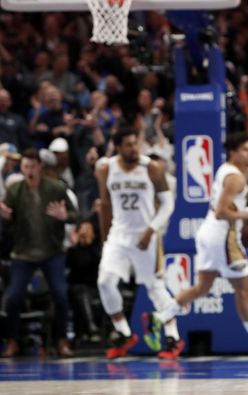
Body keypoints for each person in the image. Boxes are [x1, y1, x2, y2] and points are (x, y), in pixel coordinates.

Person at [152, 133, 248, 354]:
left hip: (209, 234)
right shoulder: (235, 178)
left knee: (203, 288)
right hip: (223, 238)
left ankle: (159, 317)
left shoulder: (225, 170)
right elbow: (221, 212)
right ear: (233, 153)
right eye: (245, 149)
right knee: (243, 290)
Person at [95, 128, 181, 359]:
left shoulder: (151, 167)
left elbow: (167, 204)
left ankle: (173, 338)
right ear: (118, 147)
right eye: (128, 145)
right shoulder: (106, 169)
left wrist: (151, 230)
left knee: (154, 287)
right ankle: (123, 333)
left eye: (135, 144)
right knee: (105, 282)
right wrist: (105, 240)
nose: (134, 149)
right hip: (118, 235)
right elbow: (105, 205)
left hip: (146, 235)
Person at [0, 148, 76, 358]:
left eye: (33, 166)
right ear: (21, 168)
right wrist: (5, 217)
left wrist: (64, 215)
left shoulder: (56, 188)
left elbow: (74, 215)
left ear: (40, 167)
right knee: (13, 298)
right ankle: (12, 340)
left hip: (52, 252)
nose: (29, 170)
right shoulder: (15, 190)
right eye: (25, 166)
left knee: (60, 295)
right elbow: (8, 219)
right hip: (23, 253)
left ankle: (62, 341)